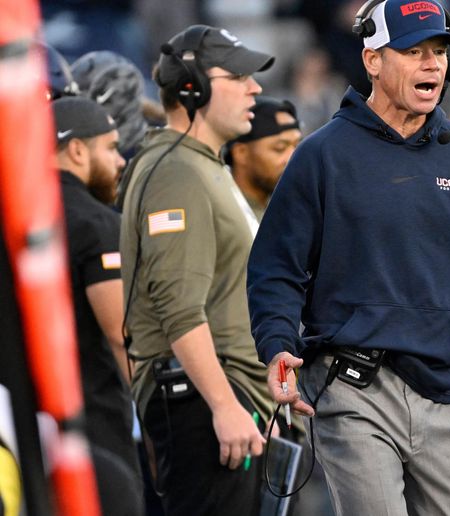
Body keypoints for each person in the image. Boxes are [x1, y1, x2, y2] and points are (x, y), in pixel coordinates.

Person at [247, 1, 450, 514]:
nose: (432, 64)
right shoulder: (322, 156)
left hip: (442, 394)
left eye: (440, 51)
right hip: (352, 390)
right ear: (372, 59)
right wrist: (278, 343)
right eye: (413, 51)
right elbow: (276, 268)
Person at [119, 25, 275, 516]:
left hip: (221, 398)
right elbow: (178, 306)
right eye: (240, 76)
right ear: (194, 89)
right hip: (202, 407)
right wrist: (225, 407)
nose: (256, 88)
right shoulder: (175, 171)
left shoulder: (201, 164)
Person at [53, 96, 143, 515]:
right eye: (109, 147)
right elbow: (121, 336)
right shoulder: (97, 223)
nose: (120, 160)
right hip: (93, 424)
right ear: (76, 150)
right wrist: (159, 426)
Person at [226, 96, 302, 221]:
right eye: (280, 148)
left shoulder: (290, 211)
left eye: (297, 147)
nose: (293, 159)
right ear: (241, 152)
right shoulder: (222, 211)